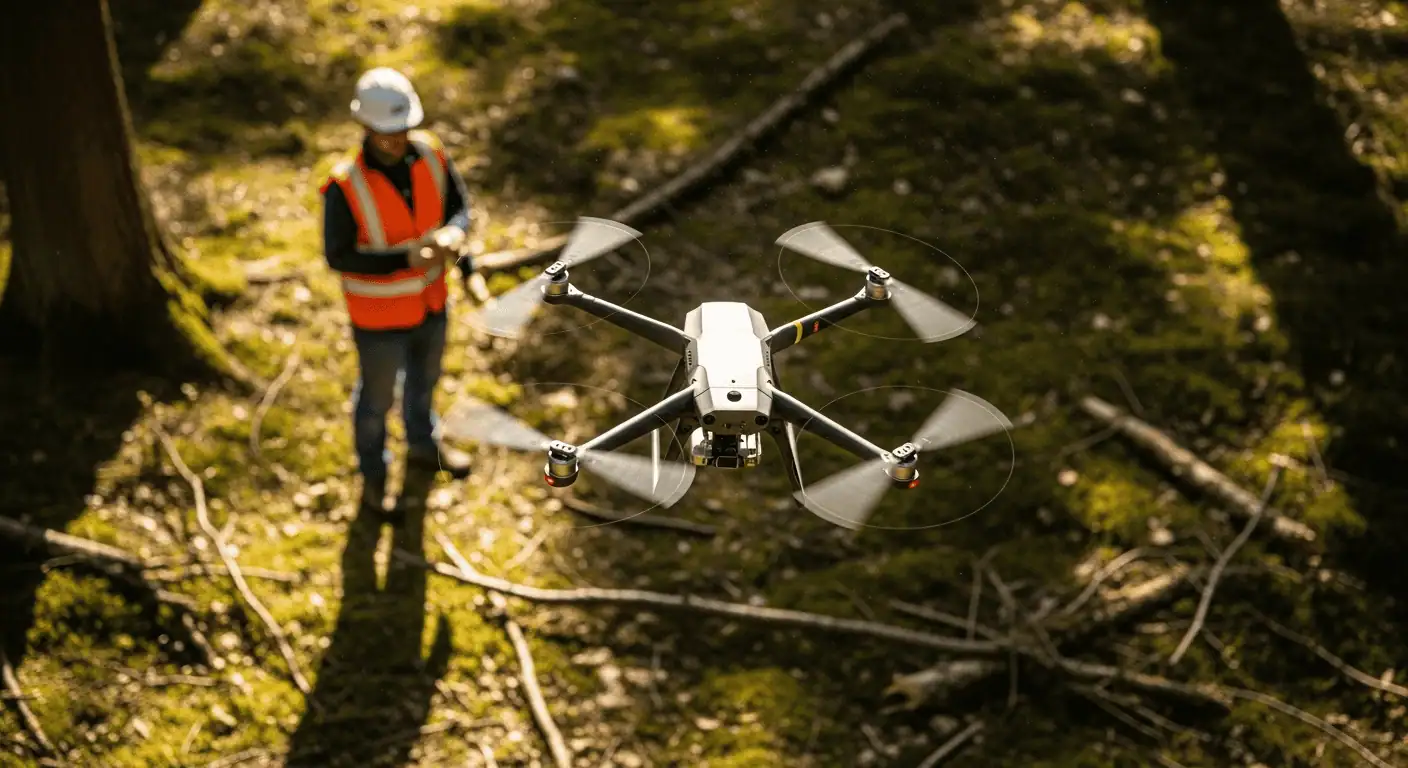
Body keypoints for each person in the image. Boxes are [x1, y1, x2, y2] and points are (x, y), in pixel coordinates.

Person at [319, 67, 474, 515]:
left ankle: (424, 447)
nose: (396, 140)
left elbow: (459, 207)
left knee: (424, 385)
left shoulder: (432, 155)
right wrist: (403, 259)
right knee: (375, 402)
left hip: (431, 303)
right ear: (364, 128)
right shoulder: (343, 186)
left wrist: (455, 235)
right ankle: (375, 477)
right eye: (386, 133)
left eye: (402, 130)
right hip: (379, 320)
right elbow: (338, 255)